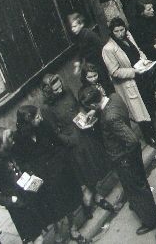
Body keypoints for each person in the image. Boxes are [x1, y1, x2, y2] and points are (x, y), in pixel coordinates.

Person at [79, 88, 156, 236]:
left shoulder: (110, 118)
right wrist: (95, 112)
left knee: (136, 187)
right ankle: (138, 206)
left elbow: (132, 141)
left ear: (93, 104)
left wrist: (126, 159)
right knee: (137, 184)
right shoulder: (114, 97)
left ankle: (151, 220)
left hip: (124, 158)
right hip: (126, 157)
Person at [13, 106, 91, 244]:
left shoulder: (44, 126)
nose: (41, 118)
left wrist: (60, 160)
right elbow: (21, 161)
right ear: (28, 121)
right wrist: (31, 172)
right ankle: (58, 230)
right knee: (52, 207)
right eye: (37, 117)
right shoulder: (18, 139)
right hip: (41, 177)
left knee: (67, 202)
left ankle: (73, 229)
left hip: (58, 170)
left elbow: (57, 142)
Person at [40, 74, 115, 217]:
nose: (60, 90)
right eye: (56, 90)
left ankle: (90, 196)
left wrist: (84, 115)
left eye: (60, 86)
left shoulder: (67, 91)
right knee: (85, 170)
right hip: (71, 140)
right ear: (48, 92)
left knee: (93, 164)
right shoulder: (46, 108)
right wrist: (69, 140)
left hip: (83, 130)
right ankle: (92, 197)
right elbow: (54, 132)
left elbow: (77, 106)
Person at [102, 17, 156, 151]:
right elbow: (114, 72)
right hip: (131, 83)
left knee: (149, 106)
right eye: (116, 31)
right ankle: (149, 137)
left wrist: (143, 59)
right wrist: (133, 71)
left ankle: (154, 133)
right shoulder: (108, 49)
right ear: (111, 32)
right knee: (140, 112)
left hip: (142, 77)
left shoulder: (128, 37)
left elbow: (138, 51)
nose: (120, 33)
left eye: (122, 30)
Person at [0, 128, 47, 244]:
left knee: (39, 231)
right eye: (9, 139)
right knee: (34, 237)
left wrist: (30, 176)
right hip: (18, 206)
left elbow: (23, 164)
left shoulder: (11, 149)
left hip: (29, 194)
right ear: (0, 145)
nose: (13, 140)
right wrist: (10, 200)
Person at [67, 12, 113, 93]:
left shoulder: (89, 34)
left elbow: (101, 46)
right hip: (90, 63)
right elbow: (81, 50)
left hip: (99, 61)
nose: (73, 29)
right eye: (71, 27)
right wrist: (79, 62)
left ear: (81, 24)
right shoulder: (79, 37)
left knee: (104, 81)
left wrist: (107, 61)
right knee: (86, 80)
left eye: (75, 26)